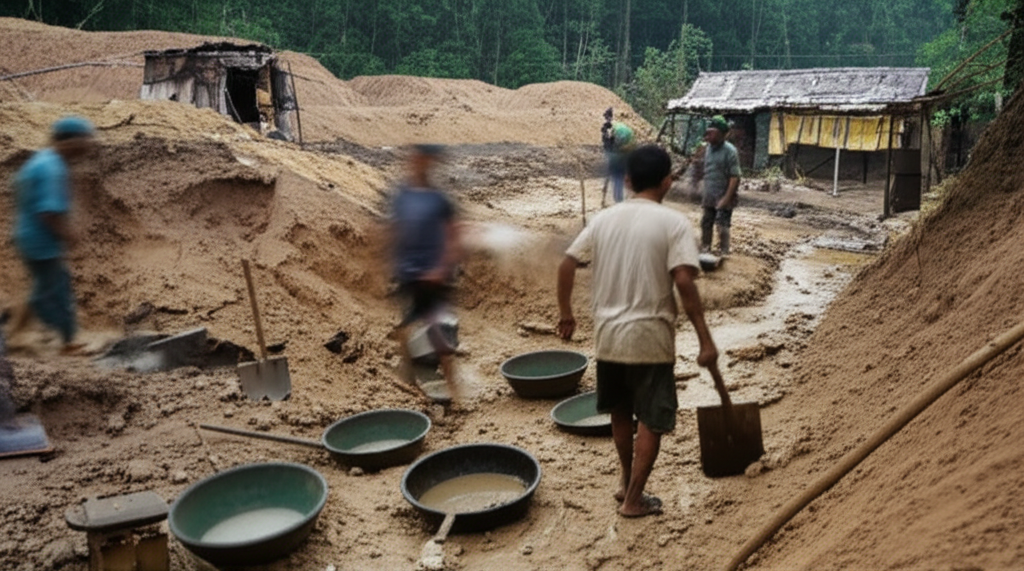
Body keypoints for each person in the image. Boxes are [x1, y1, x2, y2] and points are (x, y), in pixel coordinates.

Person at [556, 145, 719, 517]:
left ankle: (624, 482)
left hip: (608, 337)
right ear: (667, 182)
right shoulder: (673, 223)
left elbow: (567, 264)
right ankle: (633, 500)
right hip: (651, 339)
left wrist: (566, 314)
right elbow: (684, 281)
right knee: (651, 419)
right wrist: (705, 340)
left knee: (620, 412)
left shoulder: (603, 219)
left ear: (627, 181)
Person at [10, 116, 94, 352]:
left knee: (41, 286)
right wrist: (68, 234)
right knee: (55, 291)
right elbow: (49, 212)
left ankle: (11, 336)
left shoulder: (41, 160)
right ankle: (68, 341)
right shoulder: (53, 168)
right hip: (41, 241)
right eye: (84, 139)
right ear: (68, 141)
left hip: (27, 236)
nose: (88, 145)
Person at [390, 144, 462, 401]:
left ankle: (453, 386)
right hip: (409, 272)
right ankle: (410, 375)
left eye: (424, 159)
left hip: (433, 275)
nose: (419, 163)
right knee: (404, 328)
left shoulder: (439, 200)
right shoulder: (401, 197)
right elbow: (396, 230)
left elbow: (453, 236)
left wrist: (442, 267)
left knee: (437, 330)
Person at [694, 115, 741, 256]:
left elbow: (735, 177)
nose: (707, 136)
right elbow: (702, 168)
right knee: (706, 222)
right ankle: (706, 247)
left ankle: (724, 251)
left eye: (711, 133)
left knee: (722, 225)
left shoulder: (730, 151)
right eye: (707, 132)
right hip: (709, 194)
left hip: (724, 194)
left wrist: (726, 198)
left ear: (722, 134)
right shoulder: (707, 149)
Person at [601, 108, 635, 204]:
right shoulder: (619, 126)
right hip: (628, 152)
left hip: (619, 153)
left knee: (617, 178)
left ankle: (619, 201)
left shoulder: (610, 128)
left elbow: (609, 144)